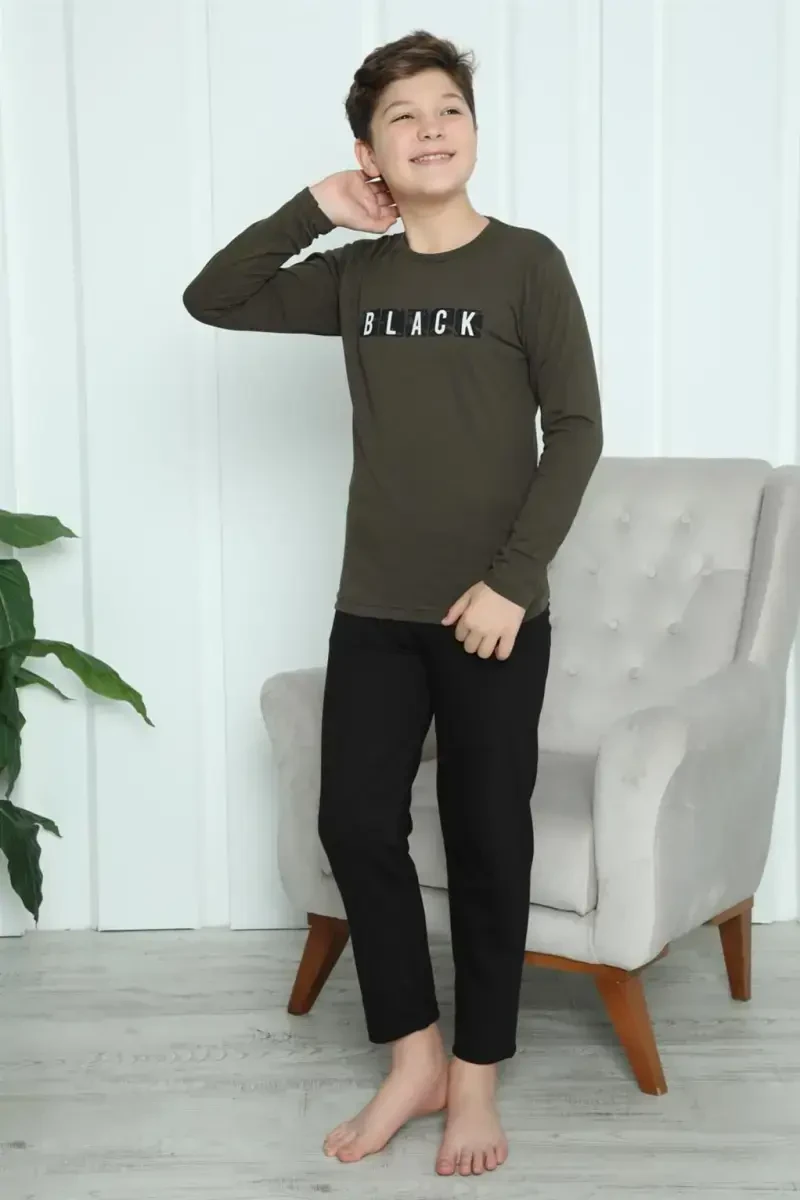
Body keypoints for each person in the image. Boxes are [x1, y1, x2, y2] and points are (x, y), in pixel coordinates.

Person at [183, 28, 603, 1177]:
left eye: (448, 108)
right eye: (402, 116)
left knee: (485, 840)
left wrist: (512, 582)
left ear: (474, 129)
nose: (430, 128)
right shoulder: (357, 280)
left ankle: (477, 1080)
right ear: (369, 150)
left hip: (493, 615)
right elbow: (213, 297)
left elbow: (575, 429)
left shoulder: (525, 264)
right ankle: (412, 1057)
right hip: (373, 608)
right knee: (354, 823)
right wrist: (314, 209)